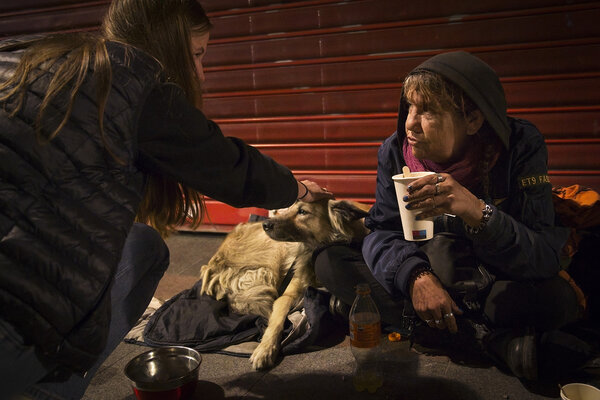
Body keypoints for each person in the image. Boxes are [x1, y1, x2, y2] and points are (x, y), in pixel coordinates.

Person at [0, 1, 331, 398]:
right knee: (145, 251)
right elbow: (227, 166)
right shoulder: (127, 80)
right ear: (166, 43)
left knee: (139, 242)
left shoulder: (29, 58)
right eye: (196, 54)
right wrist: (300, 190)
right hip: (11, 322)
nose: (200, 73)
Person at [314, 51, 584, 380]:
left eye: (427, 110)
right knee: (329, 260)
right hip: (428, 269)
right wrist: (415, 277)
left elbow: (542, 255)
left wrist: (478, 213)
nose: (410, 122)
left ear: (473, 119)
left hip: (490, 278)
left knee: (557, 300)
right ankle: (494, 342)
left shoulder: (518, 146)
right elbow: (382, 231)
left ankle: (432, 330)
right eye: (409, 106)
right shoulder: (394, 151)